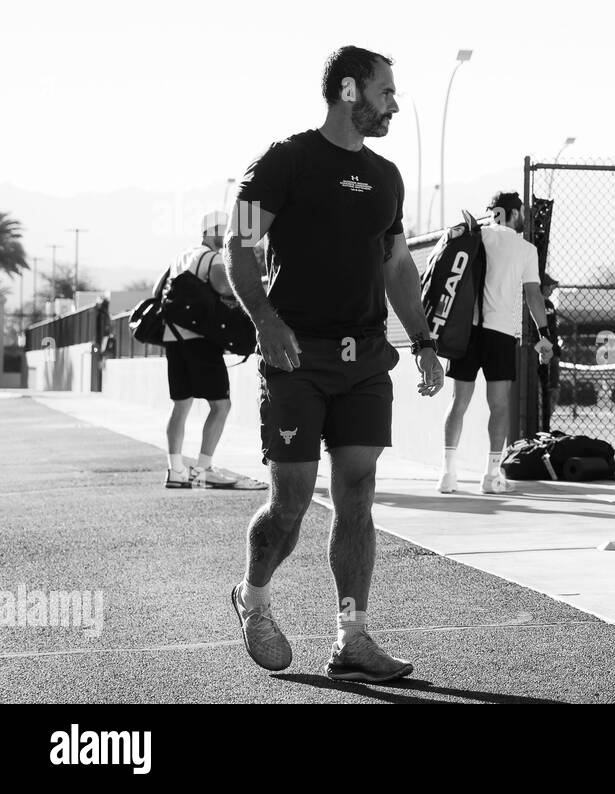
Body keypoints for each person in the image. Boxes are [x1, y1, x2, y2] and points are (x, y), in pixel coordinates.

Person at [224, 46, 445, 682]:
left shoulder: (388, 177)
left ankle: (352, 636)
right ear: (349, 90)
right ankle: (255, 597)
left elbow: (397, 265)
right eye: (386, 92)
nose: (395, 104)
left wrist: (424, 341)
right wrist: (266, 322)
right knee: (289, 504)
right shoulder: (281, 161)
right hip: (296, 357)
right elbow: (238, 246)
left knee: (358, 497)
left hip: (366, 360)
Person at [439, 191, 554, 495]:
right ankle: (491, 476)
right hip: (501, 334)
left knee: (458, 402)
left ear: (491, 212)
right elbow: (533, 295)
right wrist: (544, 336)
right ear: (515, 214)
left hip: (465, 331)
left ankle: (447, 473)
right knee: (499, 405)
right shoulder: (526, 249)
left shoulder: (476, 237)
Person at [162, 211, 242, 490]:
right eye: (223, 230)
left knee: (180, 405)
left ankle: (175, 470)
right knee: (221, 405)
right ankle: (204, 468)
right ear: (211, 232)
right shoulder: (213, 257)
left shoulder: (181, 256)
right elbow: (224, 287)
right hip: (200, 339)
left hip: (173, 337)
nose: (226, 235)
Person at [538, 273, 562, 432]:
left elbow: (552, 332)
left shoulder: (549, 304)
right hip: (544, 351)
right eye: (549, 286)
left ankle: (546, 421)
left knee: (553, 388)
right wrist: (546, 349)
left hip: (550, 351)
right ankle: (542, 421)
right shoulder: (539, 304)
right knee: (544, 388)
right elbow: (540, 333)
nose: (551, 289)